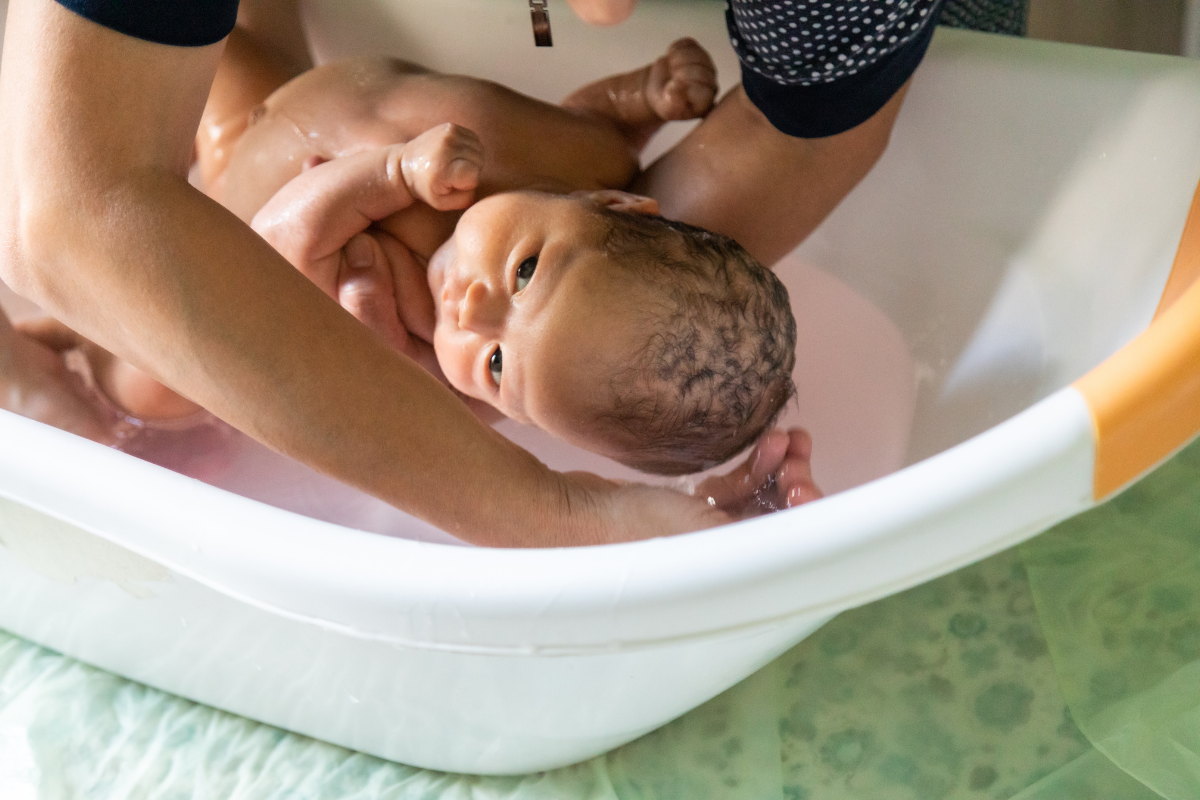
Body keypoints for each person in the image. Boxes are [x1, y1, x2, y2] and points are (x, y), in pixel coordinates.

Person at [0, 0, 817, 546]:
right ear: (615, 204)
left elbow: (271, 244)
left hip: (226, 203)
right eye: (528, 271)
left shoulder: (417, 363)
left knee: (145, 382)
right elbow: (595, 120)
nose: (472, 307)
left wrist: (387, 179)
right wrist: (640, 97)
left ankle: (38, 362)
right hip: (272, 105)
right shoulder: (585, 159)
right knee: (242, 48)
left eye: (497, 365)